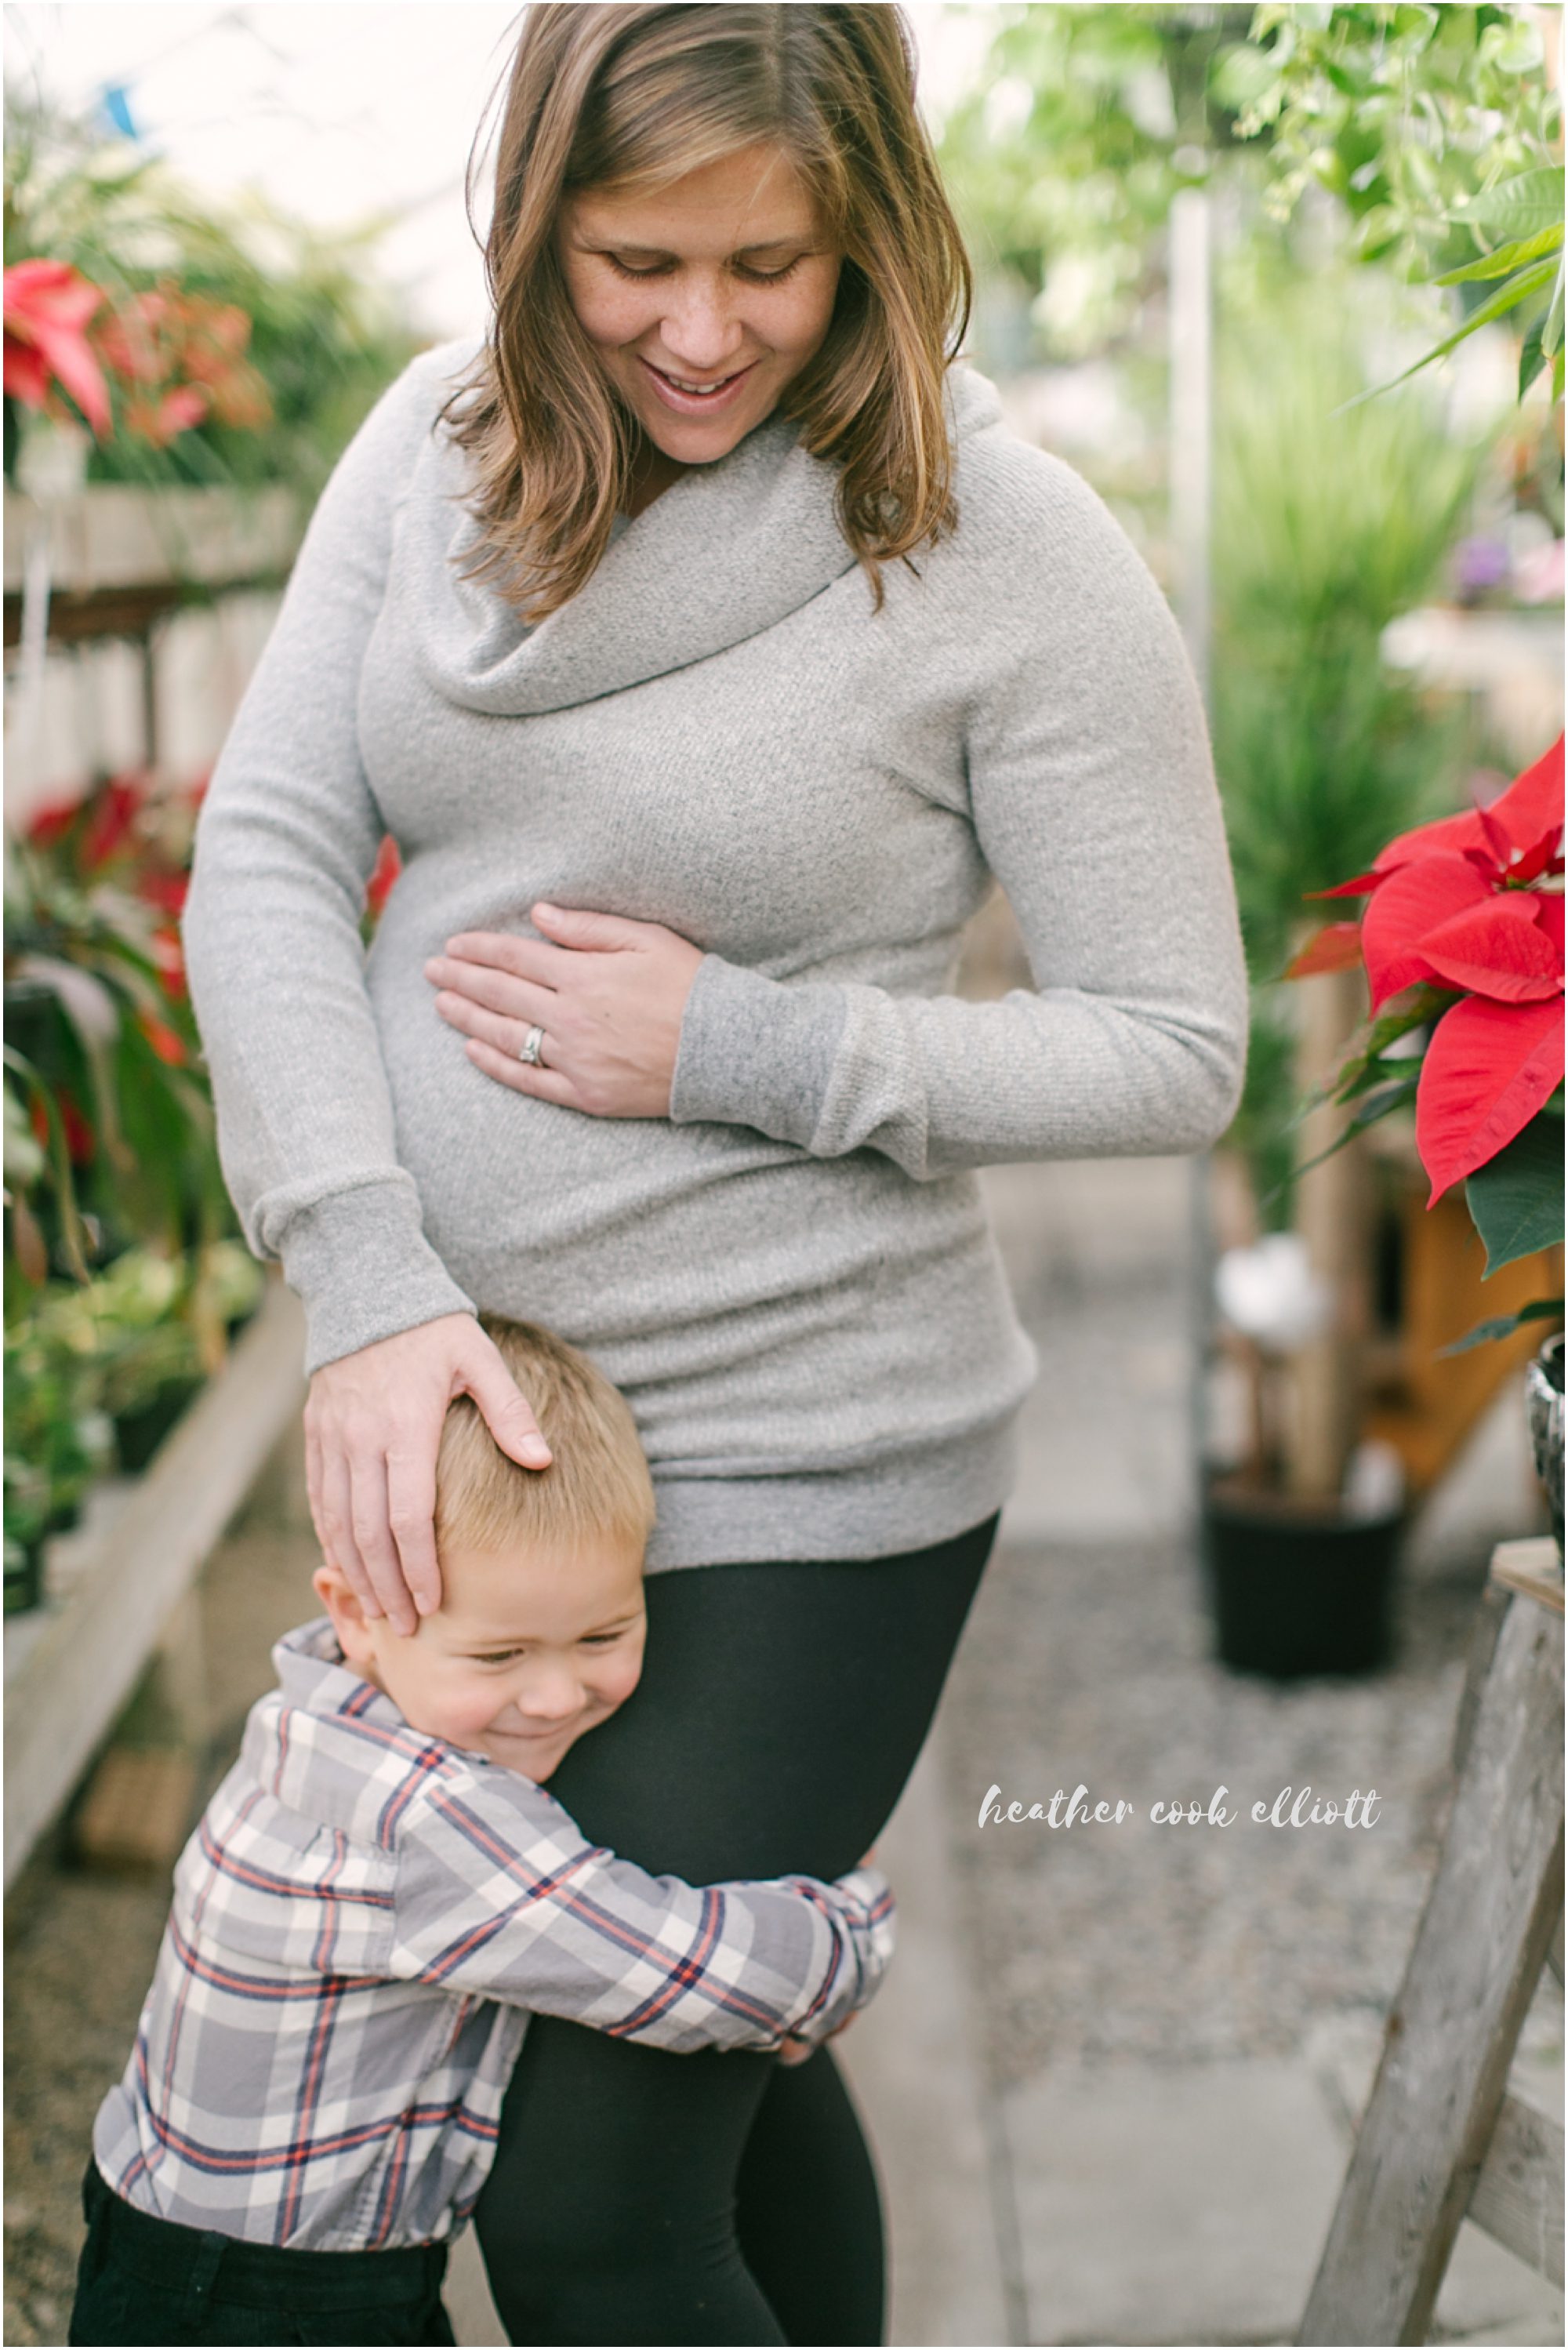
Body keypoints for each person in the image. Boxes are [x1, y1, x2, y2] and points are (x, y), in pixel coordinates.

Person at [180, 5, 1247, 2338]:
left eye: (769, 263)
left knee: (579, 2202)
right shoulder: (424, 452)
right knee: (721, 2072)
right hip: (484, 1456)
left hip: (806, 1460)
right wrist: (364, 1277)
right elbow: (262, 849)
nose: (697, 328)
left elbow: (1175, 1044)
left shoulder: (999, 538)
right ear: (538, 219)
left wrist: (751, 1045)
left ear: (875, 223)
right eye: (631, 258)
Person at [70, 1317, 895, 2348]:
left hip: (166, 2241)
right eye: (500, 1652)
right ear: (359, 1610)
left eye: (604, 1633)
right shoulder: (430, 1822)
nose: (554, 1693)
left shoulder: (317, 1719)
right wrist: (853, 1923)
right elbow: (676, 1968)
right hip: (269, 2307)